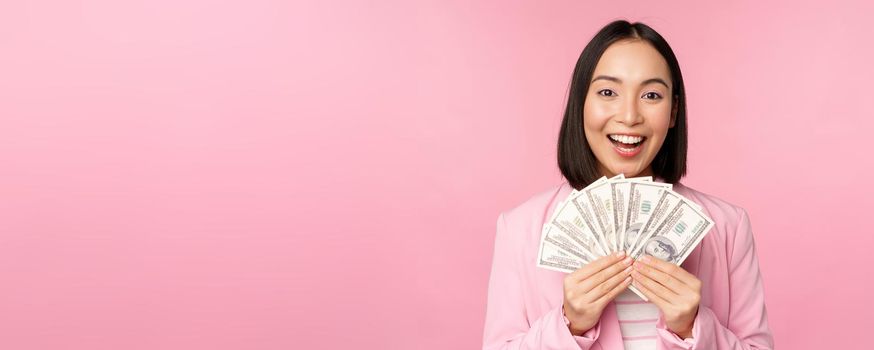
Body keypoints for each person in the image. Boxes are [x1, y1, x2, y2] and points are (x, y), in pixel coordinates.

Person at [482, 20, 774, 349]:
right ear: (581, 104)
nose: (630, 115)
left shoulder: (728, 228)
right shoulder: (520, 229)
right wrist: (569, 324)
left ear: (673, 111)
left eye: (651, 95)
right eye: (608, 92)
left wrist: (692, 327)